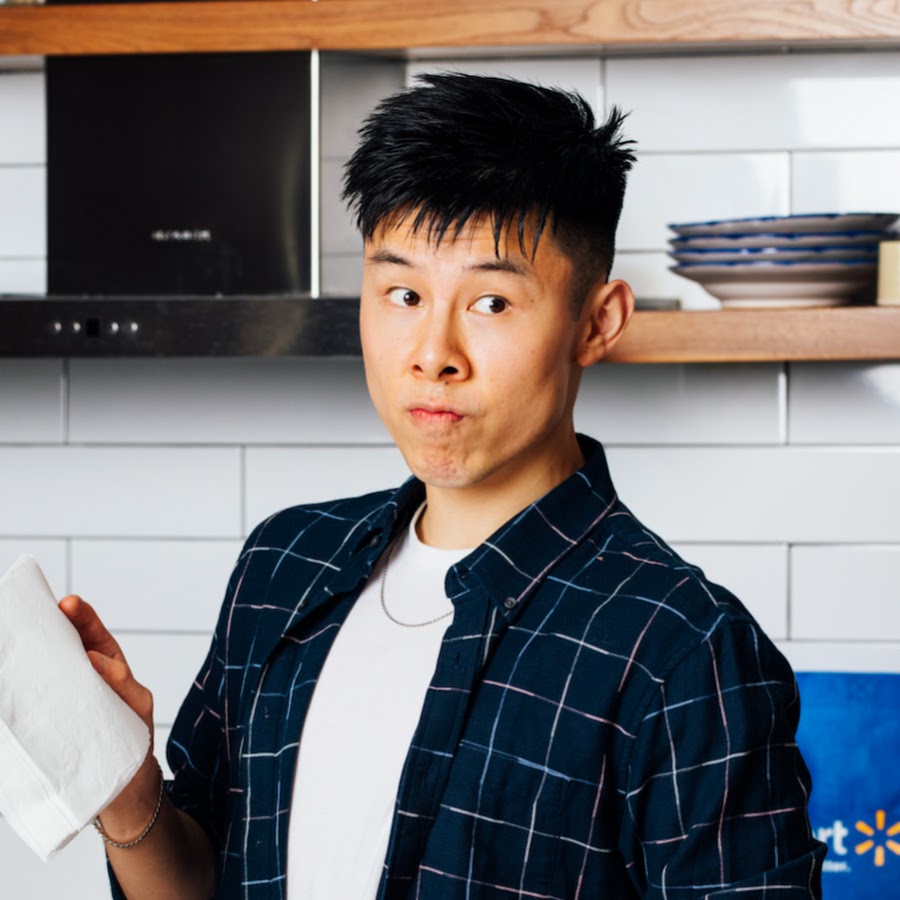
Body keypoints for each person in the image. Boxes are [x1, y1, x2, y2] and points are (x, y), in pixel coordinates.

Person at [61, 72, 825, 899]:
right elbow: (203, 881)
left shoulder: (682, 649)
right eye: (403, 293)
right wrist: (126, 788)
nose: (433, 354)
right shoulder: (284, 566)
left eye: (491, 302)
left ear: (597, 321)